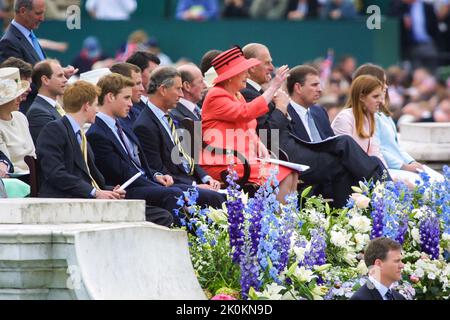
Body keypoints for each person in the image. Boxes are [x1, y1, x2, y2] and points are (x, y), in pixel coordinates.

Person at [201, 45, 298, 204]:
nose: (247, 74)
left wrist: (257, 141)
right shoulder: (216, 95)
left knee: (292, 173)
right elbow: (245, 112)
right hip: (223, 162)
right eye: (243, 71)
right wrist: (273, 87)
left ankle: (285, 221)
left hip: (242, 158)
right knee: (285, 175)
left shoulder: (236, 94)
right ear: (231, 76)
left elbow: (248, 124)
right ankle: (278, 224)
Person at [86, 73, 184, 226]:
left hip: (145, 182)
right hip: (125, 190)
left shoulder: (123, 125)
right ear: (110, 97)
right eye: (126, 98)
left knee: (200, 194)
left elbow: (139, 163)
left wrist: (156, 176)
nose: (131, 104)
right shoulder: (96, 133)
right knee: (175, 193)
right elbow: (123, 173)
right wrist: (154, 183)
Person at [133, 66, 225, 209]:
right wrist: (195, 185)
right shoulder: (145, 126)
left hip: (188, 181)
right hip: (175, 187)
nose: (181, 94)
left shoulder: (169, 117)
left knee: (231, 194)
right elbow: (159, 171)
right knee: (218, 198)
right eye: (178, 89)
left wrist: (206, 178)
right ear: (163, 90)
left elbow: (185, 155)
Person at [36, 80, 125, 200]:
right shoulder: (54, 129)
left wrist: (109, 191)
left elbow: (88, 176)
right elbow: (55, 173)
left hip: (81, 198)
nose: (97, 110)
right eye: (96, 105)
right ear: (87, 106)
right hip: (62, 201)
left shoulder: (81, 134)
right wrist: (95, 192)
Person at [0, 0, 77, 113]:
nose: (42, 18)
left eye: (43, 13)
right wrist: (54, 79)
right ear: (23, 11)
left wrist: (58, 75)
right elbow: (17, 84)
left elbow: (39, 73)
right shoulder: (9, 42)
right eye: (38, 13)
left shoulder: (29, 35)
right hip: (29, 113)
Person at [353, 64, 424, 177]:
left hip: (400, 167)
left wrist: (411, 161)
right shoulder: (367, 117)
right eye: (382, 82)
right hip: (387, 170)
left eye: (386, 82)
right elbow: (376, 150)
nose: (386, 87)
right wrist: (404, 167)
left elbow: (396, 147)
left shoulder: (384, 115)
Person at [331, 75, 387, 167]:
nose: (380, 101)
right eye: (375, 96)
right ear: (361, 97)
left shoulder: (369, 118)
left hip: (362, 173)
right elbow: (349, 158)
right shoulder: (344, 118)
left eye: (380, 96)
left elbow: (375, 153)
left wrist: (387, 176)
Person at [0, 66, 34, 174]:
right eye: (14, 96)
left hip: (37, 176)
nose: (20, 98)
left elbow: (33, 153)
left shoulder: (21, 117)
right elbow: (8, 165)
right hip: (18, 182)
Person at [26, 59, 67, 143]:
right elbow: (53, 146)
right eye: (60, 75)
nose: (65, 79)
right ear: (45, 80)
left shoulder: (54, 106)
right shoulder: (38, 112)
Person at [109, 62, 145, 128]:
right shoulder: (114, 118)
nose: (142, 89)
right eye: (137, 84)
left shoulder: (138, 112)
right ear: (124, 84)